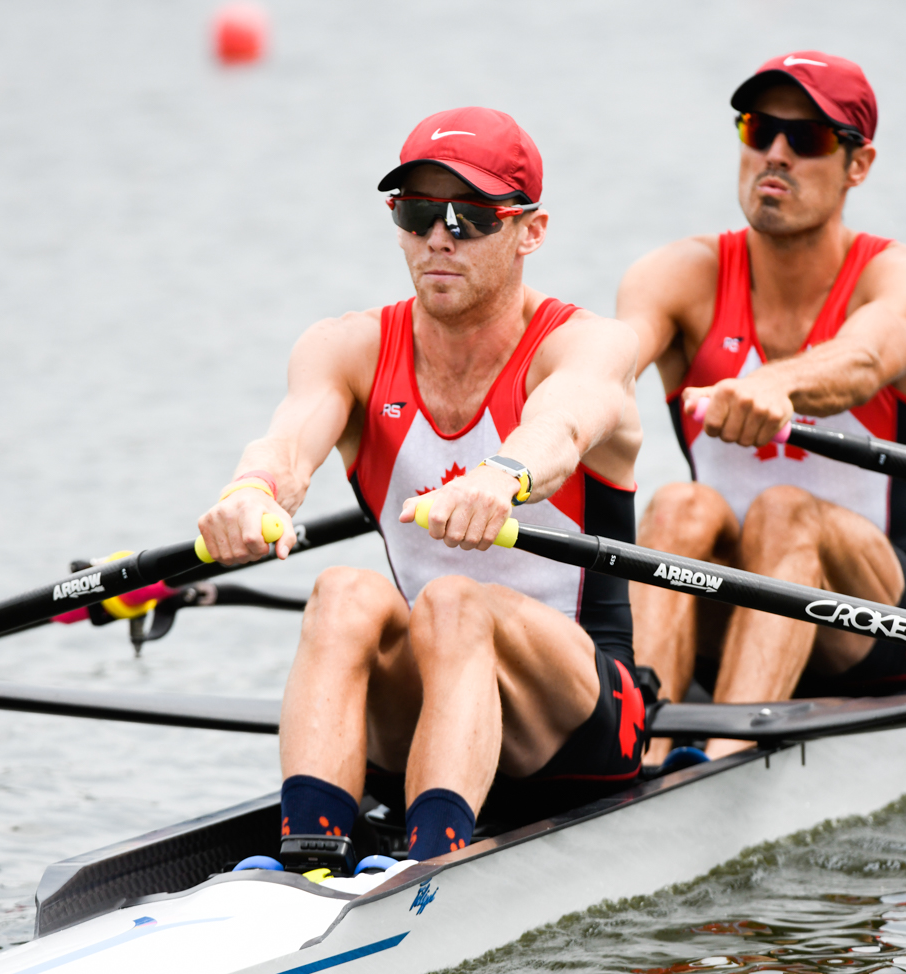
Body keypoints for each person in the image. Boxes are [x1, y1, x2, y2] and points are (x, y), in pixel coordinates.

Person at [198, 107, 646, 869]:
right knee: (343, 590)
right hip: (438, 693)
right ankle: (310, 850)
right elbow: (288, 440)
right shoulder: (346, 348)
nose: (438, 238)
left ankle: (429, 864)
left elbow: (564, 427)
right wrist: (254, 491)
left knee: (452, 598)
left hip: (579, 719)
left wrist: (501, 478)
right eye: (415, 215)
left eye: (468, 218)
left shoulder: (587, 343)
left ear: (529, 231)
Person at [617, 52, 906, 759]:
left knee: (783, 508)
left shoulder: (905, 278)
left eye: (808, 140)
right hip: (720, 605)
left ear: (858, 166)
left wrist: (777, 385)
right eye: (758, 128)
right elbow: (600, 373)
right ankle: (638, 757)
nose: (775, 154)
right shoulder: (677, 277)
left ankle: (721, 762)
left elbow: (864, 360)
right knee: (681, 505)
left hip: (877, 622)